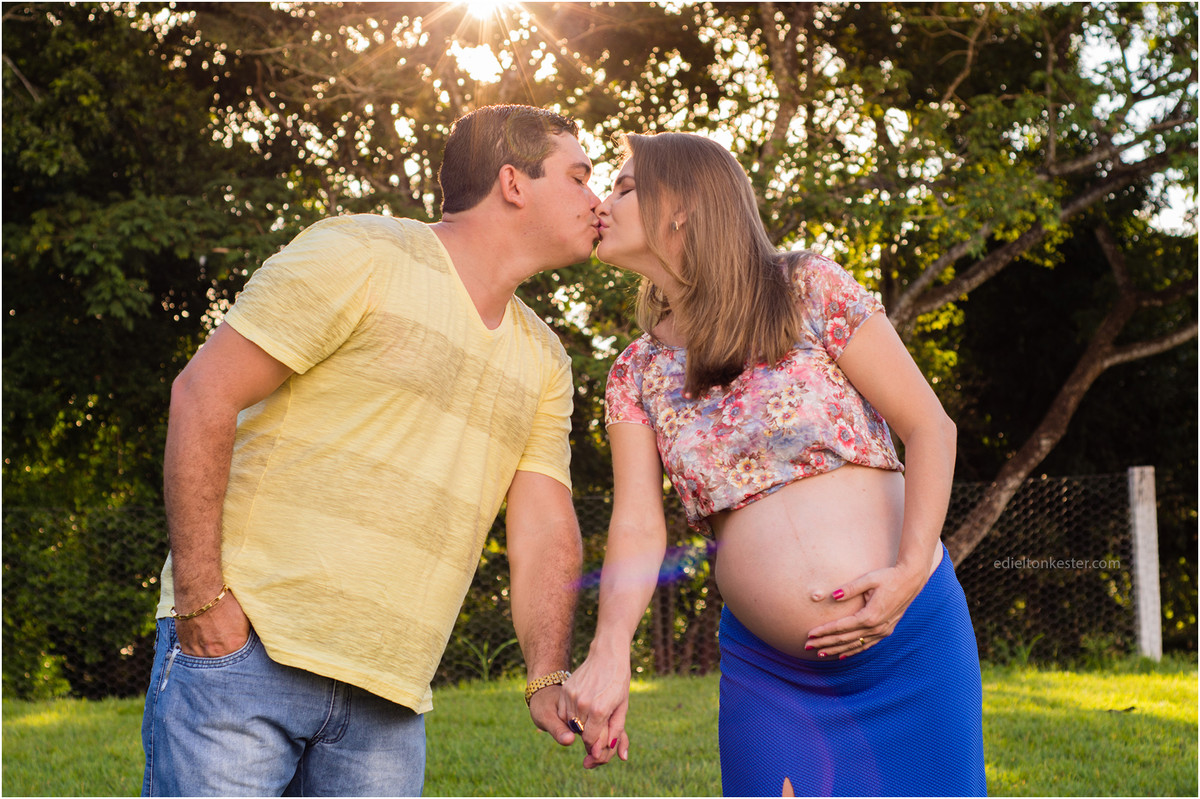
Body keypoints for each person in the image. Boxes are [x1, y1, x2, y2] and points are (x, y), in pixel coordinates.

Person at [141, 104, 600, 796]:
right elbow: (203, 393)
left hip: (390, 698)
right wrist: (204, 603)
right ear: (513, 182)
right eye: (579, 177)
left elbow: (543, 525)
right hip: (245, 656)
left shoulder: (543, 358)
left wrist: (546, 674)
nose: (597, 201)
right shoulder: (361, 253)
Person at [560, 132, 986, 796]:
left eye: (623, 187)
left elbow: (929, 426)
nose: (600, 203)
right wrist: (609, 651)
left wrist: (908, 574)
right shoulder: (634, 372)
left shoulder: (807, 287)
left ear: (682, 206)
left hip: (911, 637)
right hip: (773, 674)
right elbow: (639, 525)